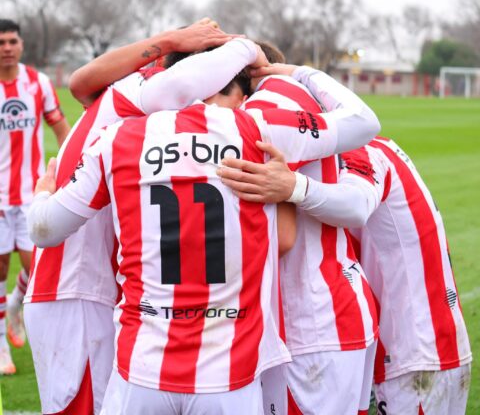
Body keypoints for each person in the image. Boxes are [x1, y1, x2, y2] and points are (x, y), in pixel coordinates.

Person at [27, 37, 379, 414]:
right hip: (228, 376)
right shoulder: (256, 130)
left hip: (141, 371)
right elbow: (363, 122)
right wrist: (302, 73)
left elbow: (44, 229)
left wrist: (43, 193)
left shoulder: (118, 139)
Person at [24, 21, 250, 415]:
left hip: (87, 288)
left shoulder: (130, 96)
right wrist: (248, 49)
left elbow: (80, 83)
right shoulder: (148, 92)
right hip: (76, 288)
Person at [218, 136, 472, 415]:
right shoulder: (379, 146)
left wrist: (294, 187)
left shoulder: (358, 152)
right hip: (431, 348)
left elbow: (356, 205)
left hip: (412, 358)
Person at [219, 61, 379, 415]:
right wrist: (304, 72)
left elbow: (283, 238)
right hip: (341, 311)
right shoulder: (306, 101)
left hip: (308, 326)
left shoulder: (262, 112)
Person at [0, 19, 70, 375]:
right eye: (1, 42)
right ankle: (1, 345)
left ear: (21, 45)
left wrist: (71, 168)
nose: (7, 48)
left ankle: (15, 306)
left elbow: (61, 128)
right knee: (0, 268)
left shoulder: (38, 83)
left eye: (12, 41)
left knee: (36, 269)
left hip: (32, 194)